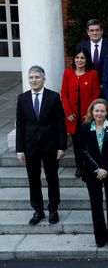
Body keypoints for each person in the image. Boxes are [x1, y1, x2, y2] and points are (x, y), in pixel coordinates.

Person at [16, 65, 67, 226]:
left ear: (43, 79)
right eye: (31, 77)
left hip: (50, 145)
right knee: (33, 179)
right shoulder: (22, 98)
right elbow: (20, 124)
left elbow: (60, 123)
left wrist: (61, 146)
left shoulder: (53, 97)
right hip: (30, 146)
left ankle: (53, 209)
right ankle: (38, 210)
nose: (34, 80)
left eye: (37, 77)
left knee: (52, 178)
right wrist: (19, 149)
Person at [79, 99, 108, 251]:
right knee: (96, 205)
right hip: (92, 173)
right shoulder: (84, 128)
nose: (99, 113)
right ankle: (100, 238)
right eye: (96, 111)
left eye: (102, 111)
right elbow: (83, 151)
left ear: (106, 112)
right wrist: (97, 169)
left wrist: (106, 169)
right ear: (92, 112)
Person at [61, 48, 101, 178]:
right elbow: (64, 94)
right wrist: (68, 112)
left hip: (87, 116)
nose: (79, 60)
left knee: (88, 143)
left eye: (82, 58)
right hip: (72, 117)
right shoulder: (68, 73)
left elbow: (96, 93)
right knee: (77, 144)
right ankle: (79, 166)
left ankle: (90, 165)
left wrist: (90, 112)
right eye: (77, 57)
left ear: (87, 60)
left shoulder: (93, 74)